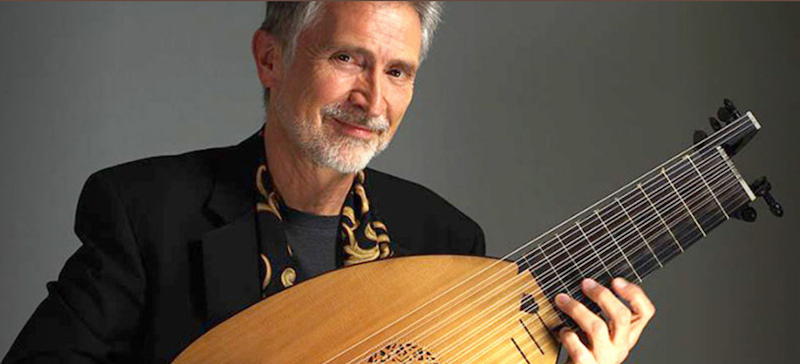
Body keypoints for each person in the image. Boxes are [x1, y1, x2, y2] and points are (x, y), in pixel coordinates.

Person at [3, 2, 655, 363]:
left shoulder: (445, 238)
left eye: (398, 72)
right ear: (270, 58)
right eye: (348, 59)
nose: (372, 100)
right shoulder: (147, 212)